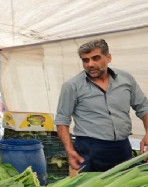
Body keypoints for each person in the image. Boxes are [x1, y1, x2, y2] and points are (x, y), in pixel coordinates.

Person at [55, 39, 148, 172]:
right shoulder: (72, 86)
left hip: (122, 147)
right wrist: (69, 150)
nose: (90, 64)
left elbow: (143, 107)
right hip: (89, 149)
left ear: (108, 57)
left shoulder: (126, 79)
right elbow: (62, 120)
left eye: (95, 58)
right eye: (85, 60)